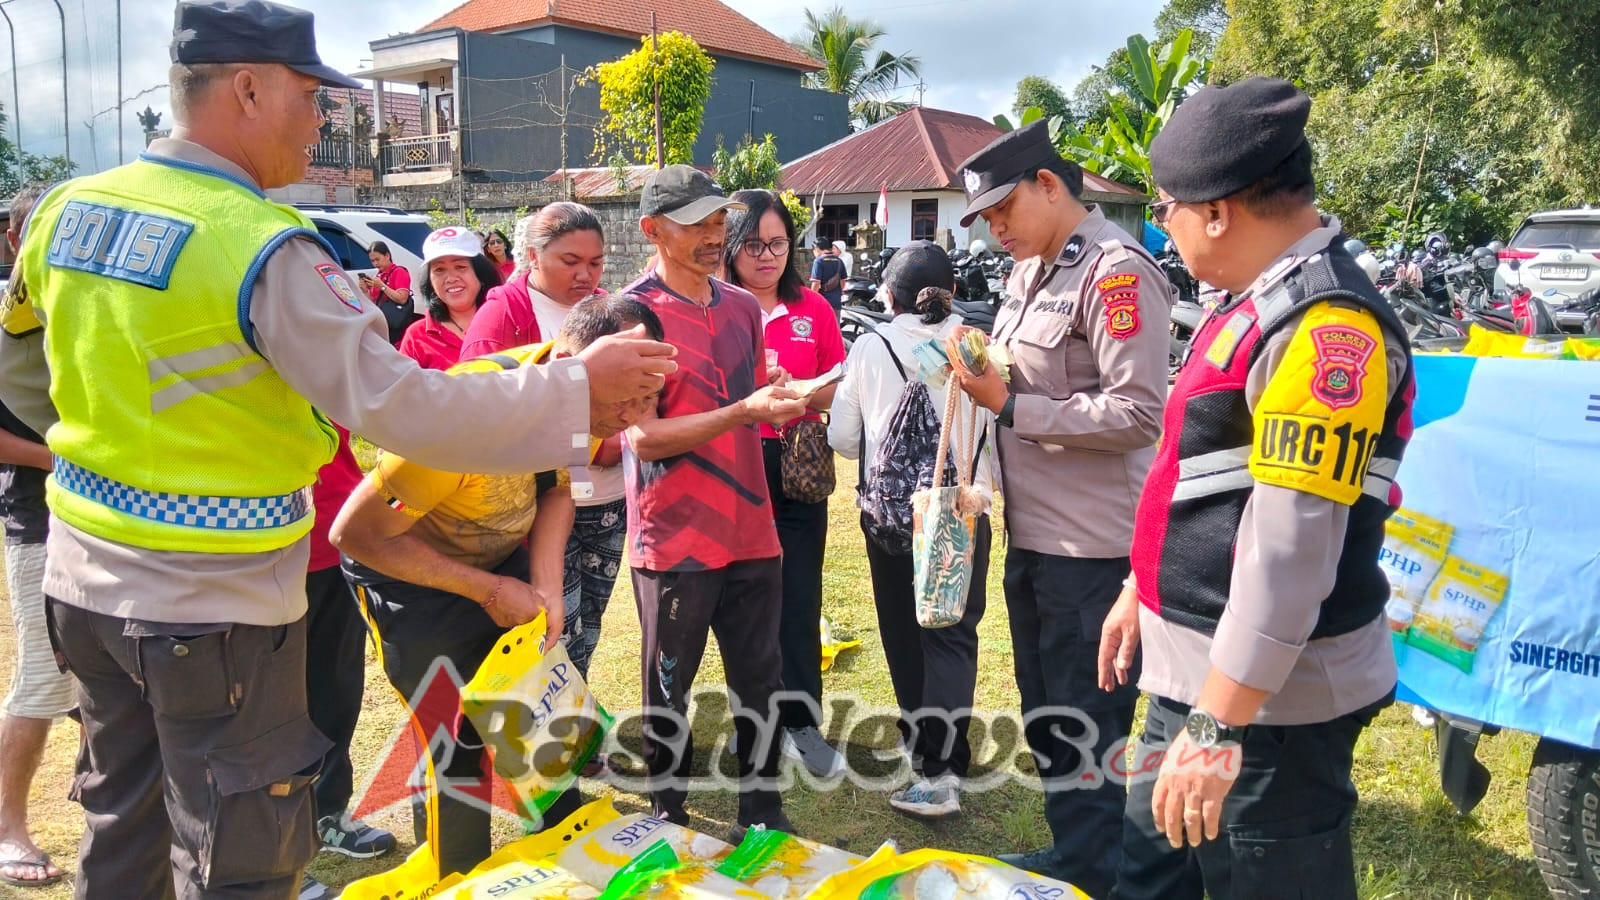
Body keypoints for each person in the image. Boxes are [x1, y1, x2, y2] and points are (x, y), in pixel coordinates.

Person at [0, 2, 675, 896]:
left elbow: (22, 369)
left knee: (126, 827)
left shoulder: (67, 211)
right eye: (312, 97)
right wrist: (574, 386)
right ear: (248, 89)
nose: (324, 121)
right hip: (213, 606)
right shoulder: (260, 246)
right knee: (240, 857)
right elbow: (406, 409)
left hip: (85, 583)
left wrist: (124, 448)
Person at [1097, 77, 1412, 900]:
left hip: (1268, 707)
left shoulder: (1326, 327)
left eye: (1165, 208)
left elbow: (1289, 555)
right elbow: (1202, 472)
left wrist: (1218, 722)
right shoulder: (1254, 299)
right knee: (1151, 875)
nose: (1163, 226)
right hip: (1200, 673)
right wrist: (1141, 588)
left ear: (1216, 212)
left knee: (1264, 876)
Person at [334, 294, 662, 876]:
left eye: (650, 396)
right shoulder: (460, 417)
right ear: (573, 365)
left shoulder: (585, 399)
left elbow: (557, 488)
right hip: (409, 577)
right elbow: (356, 534)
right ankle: (454, 876)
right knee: (454, 745)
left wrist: (546, 587)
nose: (635, 416)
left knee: (542, 721)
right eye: (627, 398)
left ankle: (570, 862)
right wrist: (485, 590)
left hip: (497, 561)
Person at [946, 120, 1172, 896]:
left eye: (1003, 210)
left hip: (1094, 551)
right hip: (1035, 538)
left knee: (1087, 720)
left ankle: (1102, 872)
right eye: (986, 220)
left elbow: (1139, 413)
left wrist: (1011, 406)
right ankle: (1079, 857)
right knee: (1048, 713)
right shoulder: (1027, 275)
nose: (997, 230)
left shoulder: (1116, 272)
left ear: (1048, 184)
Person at [622, 165, 809, 839]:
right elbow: (643, 437)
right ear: (652, 230)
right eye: (694, 224)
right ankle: (668, 814)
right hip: (675, 534)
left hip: (751, 526)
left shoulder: (741, 307)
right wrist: (742, 411)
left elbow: (752, 398)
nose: (712, 236)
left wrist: (782, 395)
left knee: (761, 678)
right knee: (670, 686)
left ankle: (764, 811)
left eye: (717, 221)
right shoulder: (632, 316)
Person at [827, 241, 998, 820]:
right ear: (954, 292)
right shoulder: (976, 344)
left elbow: (843, 439)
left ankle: (926, 754)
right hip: (965, 510)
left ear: (889, 296)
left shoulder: (871, 346)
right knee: (953, 634)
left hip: (895, 517)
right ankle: (946, 762)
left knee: (903, 628)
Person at [460, 203, 620, 683]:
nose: (585, 275)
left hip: (606, 501)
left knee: (588, 630)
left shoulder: (606, 309)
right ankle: (554, 724)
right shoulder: (501, 315)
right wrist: (598, 443)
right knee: (550, 632)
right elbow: (482, 416)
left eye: (595, 262)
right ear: (532, 256)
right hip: (538, 509)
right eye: (570, 261)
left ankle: (573, 714)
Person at [722, 189, 848, 777]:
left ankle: (801, 721)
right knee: (741, 599)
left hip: (796, 464)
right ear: (730, 247)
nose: (767, 257)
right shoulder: (716, 307)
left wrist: (796, 388)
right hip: (732, 464)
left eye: (777, 244)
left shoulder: (813, 308)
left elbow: (836, 388)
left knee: (798, 593)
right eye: (753, 245)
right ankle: (752, 721)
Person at [0, 184, 70, 891]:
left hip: (113, 517)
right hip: (40, 520)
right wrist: (66, 459)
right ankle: (7, 828)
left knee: (110, 675)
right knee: (44, 678)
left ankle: (108, 795)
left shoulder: (87, 307)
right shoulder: (6, 322)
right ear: (17, 239)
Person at [299, 423, 393, 900]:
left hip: (338, 539)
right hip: (259, 551)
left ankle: (328, 811)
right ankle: (274, 854)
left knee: (337, 690)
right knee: (264, 710)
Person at [399, 227, 502, 370]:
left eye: (460, 267)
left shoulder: (507, 323)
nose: (451, 278)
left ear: (481, 273)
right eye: (439, 270)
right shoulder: (416, 337)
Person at [360, 240, 416, 345]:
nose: (375, 263)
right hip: (381, 324)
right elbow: (374, 303)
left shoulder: (399, 272)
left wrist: (382, 286)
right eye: (372, 261)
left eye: (378, 259)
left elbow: (402, 299)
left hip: (395, 325)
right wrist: (365, 290)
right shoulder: (378, 276)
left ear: (387, 255)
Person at [808, 241, 847, 311]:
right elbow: (843, 282)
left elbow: (816, 283)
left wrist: (812, 299)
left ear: (817, 249)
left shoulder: (819, 261)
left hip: (822, 303)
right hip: (836, 303)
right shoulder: (839, 261)